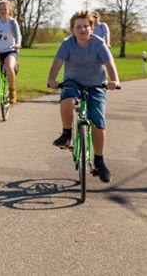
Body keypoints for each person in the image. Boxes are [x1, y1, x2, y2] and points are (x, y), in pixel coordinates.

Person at [47, 10, 120, 183]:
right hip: (73, 82)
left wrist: (115, 80)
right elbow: (57, 64)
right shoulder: (67, 44)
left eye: (86, 26)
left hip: (97, 86)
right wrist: (52, 79)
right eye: (78, 27)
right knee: (67, 99)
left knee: (98, 122)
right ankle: (66, 134)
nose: (82, 29)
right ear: (72, 30)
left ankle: (99, 161)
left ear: (92, 28)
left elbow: (110, 64)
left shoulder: (99, 44)